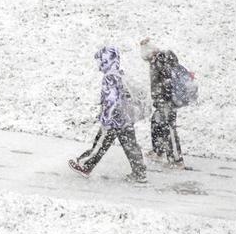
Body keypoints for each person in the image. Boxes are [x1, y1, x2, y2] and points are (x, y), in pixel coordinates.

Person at [69, 46, 147, 183]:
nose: (98, 64)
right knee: (131, 145)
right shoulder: (120, 74)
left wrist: (106, 118)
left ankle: (85, 165)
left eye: (99, 60)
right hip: (125, 117)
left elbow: (111, 100)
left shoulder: (109, 77)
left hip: (114, 118)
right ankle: (140, 173)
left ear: (106, 60)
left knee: (100, 143)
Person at [139, 37, 184, 167]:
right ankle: (158, 151)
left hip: (167, 102)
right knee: (156, 122)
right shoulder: (156, 61)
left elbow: (168, 82)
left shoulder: (161, 60)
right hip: (162, 102)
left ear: (149, 53)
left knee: (169, 128)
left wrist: (166, 100)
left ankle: (177, 160)